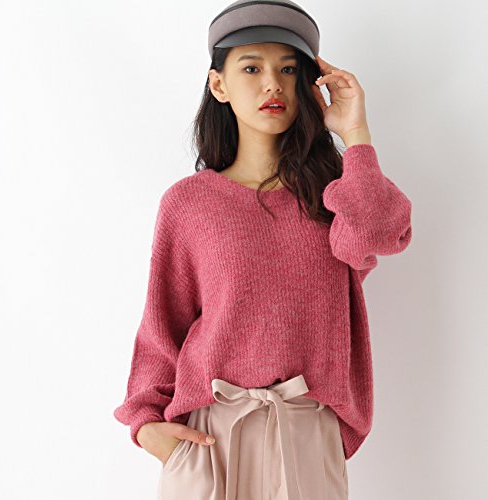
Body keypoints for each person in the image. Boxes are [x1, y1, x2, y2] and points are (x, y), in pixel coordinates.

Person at [113, 1, 413, 498]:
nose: (273, 84)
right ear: (219, 85)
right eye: (251, 68)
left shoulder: (334, 194)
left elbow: (382, 232)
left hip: (305, 431)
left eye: (289, 70)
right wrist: (147, 426)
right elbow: (163, 323)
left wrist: (356, 133)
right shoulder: (189, 204)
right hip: (208, 438)